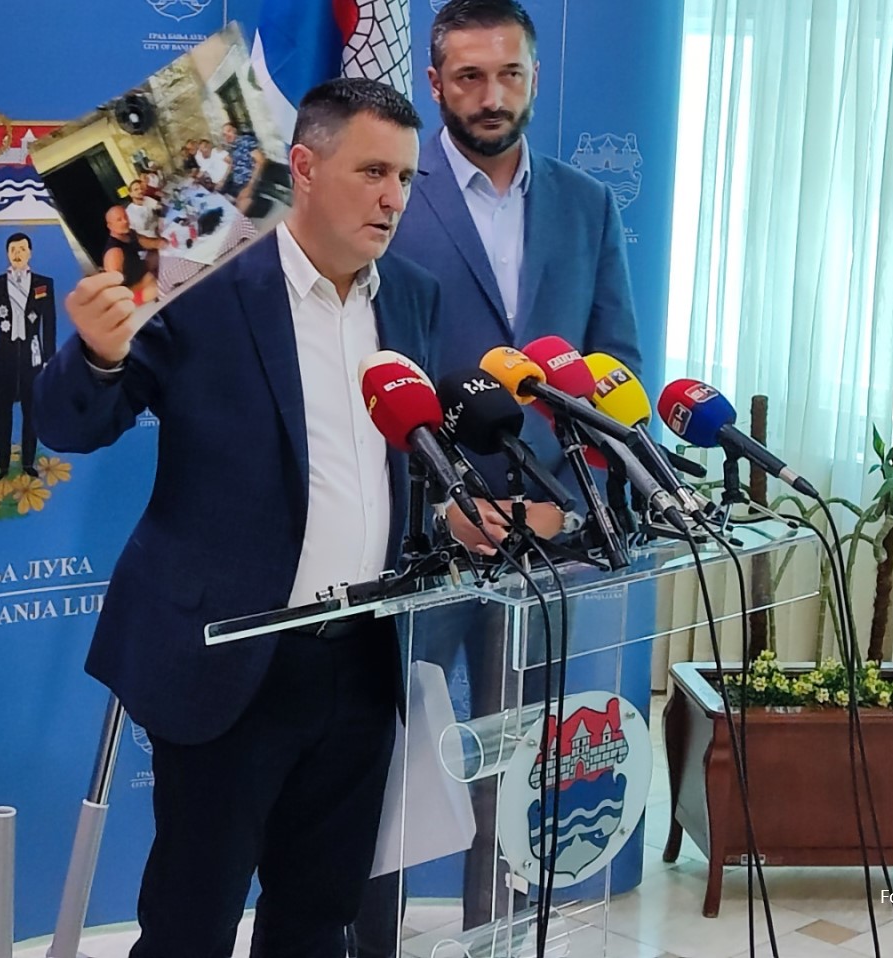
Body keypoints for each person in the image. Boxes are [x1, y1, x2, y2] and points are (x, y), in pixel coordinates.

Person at [34, 78, 437, 958]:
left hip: (360, 660)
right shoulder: (198, 280)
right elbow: (71, 426)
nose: (394, 198)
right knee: (191, 925)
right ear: (305, 167)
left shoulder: (410, 296)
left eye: (406, 178)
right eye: (373, 171)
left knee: (318, 919)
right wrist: (97, 354)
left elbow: (405, 467)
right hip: (232, 659)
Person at [350, 1, 647, 951]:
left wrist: (567, 504)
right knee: (391, 767)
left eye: (509, 74)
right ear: (433, 83)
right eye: (469, 76)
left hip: (547, 548)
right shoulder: (391, 195)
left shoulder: (586, 204)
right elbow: (355, 367)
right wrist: (446, 505)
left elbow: (614, 367)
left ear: (534, 79)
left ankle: (502, 936)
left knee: (521, 770)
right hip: (419, 543)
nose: (491, 95)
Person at [0, 232, 57, 481]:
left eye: (22, 249)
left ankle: (27, 462)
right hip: (5, 354)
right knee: (2, 410)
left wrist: (50, 358)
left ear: (30, 253)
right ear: (7, 253)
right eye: (13, 249)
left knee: (31, 409)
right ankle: (2, 464)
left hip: (32, 355)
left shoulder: (44, 284)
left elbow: (49, 324)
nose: (17, 254)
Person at [102, 204, 161, 304]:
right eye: (119, 220)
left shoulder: (129, 234)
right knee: (163, 285)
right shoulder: (114, 252)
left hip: (146, 274)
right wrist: (140, 287)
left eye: (125, 217)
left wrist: (163, 242)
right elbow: (115, 287)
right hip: (137, 294)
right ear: (110, 226)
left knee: (160, 255)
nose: (125, 221)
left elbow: (147, 242)